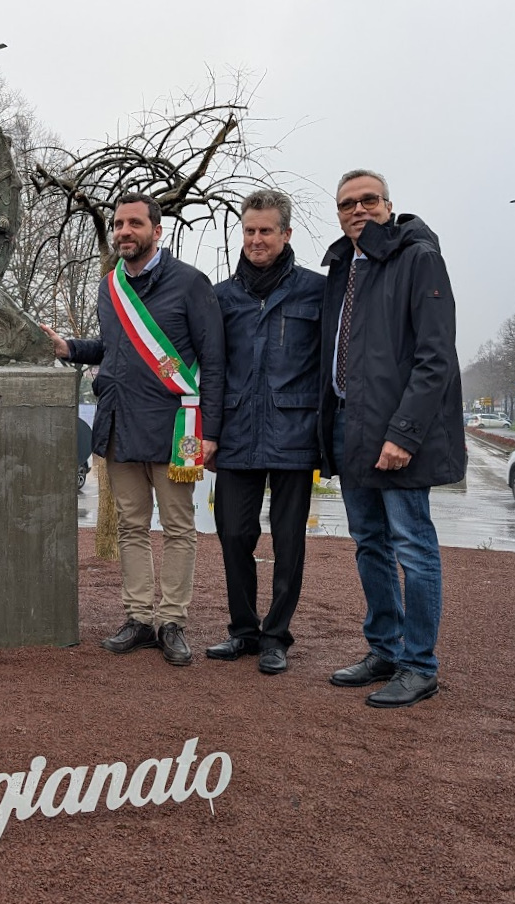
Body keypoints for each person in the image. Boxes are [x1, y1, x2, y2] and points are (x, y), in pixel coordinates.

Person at [42, 193, 224, 666]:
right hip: (120, 424)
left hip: (175, 428)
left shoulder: (191, 283)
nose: (124, 231)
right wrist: (71, 348)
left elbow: (216, 362)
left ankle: (172, 620)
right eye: (119, 223)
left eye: (134, 223)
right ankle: (140, 618)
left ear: (156, 231)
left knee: (180, 528)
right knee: (132, 528)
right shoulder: (110, 286)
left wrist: (212, 431)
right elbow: (116, 347)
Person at [319, 169, 465, 708]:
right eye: (346, 203)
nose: (358, 209)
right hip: (348, 427)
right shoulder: (342, 266)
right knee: (370, 545)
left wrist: (403, 433)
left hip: (397, 434)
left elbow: (435, 358)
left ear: (388, 203)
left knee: (413, 547)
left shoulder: (417, 257)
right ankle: (384, 648)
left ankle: (420, 664)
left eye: (368, 200)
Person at [208, 190, 324, 676]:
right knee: (233, 533)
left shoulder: (317, 291)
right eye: (250, 230)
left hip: (295, 433)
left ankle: (276, 636)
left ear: (286, 234)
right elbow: (203, 366)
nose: (256, 239)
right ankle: (243, 630)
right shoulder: (220, 296)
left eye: (266, 231)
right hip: (235, 433)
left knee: (289, 541)